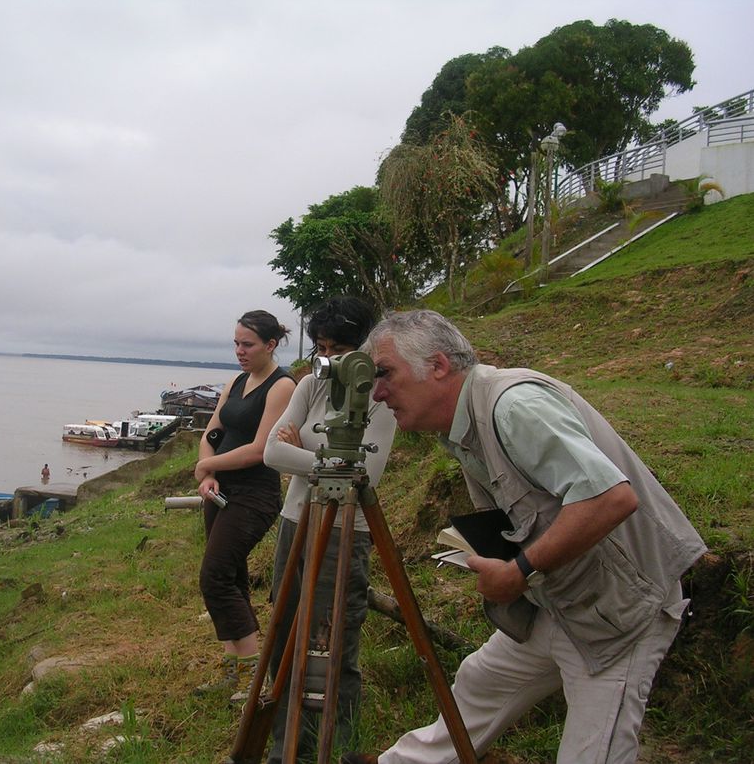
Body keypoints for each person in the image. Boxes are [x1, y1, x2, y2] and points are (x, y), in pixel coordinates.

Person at [341, 310, 706, 764]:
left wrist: (519, 570)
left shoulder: (513, 407)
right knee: (479, 685)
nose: (377, 392)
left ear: (437, 366)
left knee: (595, 753)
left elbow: (611, 499)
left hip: (622, 612)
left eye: (385, 374)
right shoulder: (461, 423)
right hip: (560, 601)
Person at [263, 296, 396, 763]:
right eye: (322, 348)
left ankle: (335, 746)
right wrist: (328, 462)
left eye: (338, 348)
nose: (329, 359)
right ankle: (287, 748)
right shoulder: (310, 385)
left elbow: (365, 478)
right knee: (285, 634)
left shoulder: (377, 397)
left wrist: (304, 456)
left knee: (331, 640)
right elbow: (271, 454)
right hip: (296, 522)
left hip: (343, 530)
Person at [194, 309, 297, 699]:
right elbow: (213, 432)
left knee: (214, 576)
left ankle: (255, 675)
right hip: (219, 491)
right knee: (231, 578)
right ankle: (233, 670)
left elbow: (260, 450)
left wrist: (205, 465)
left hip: (255, 495)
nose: (239, 350)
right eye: (236, 342)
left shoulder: (281, 385)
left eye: (247, 344)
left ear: (270, 345)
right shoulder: (236, 381)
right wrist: (208, 474)